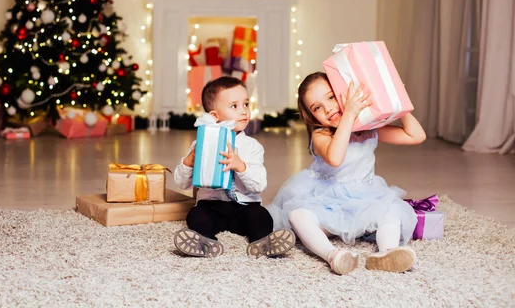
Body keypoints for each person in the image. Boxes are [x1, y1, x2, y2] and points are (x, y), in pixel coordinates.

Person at [268, 72, 426, 274]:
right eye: (317, 107)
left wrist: (397, 101)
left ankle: (387, 252)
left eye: (332, 97)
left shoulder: (368, 128)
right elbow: (335, 157)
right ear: (311, 115)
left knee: (392, 212)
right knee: (298, 216)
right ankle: (333, 255)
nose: (328, 108)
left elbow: (416, 135)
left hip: (365, 199)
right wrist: (349, 115)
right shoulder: (321, 135)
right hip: (326, 201)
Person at [173, 76, 295, 258]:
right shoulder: (201, 144)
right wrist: (189, 161)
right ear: (214, 116)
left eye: (246, 104)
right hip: (212, 204)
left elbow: (259, 185)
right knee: (196, 216)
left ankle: (262, 242)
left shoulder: (252, 146)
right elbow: (182, 183)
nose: (244, 111)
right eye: (234, 106)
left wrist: (241, 167)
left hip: (245, 205)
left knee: (261, 216)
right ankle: (204, 242)